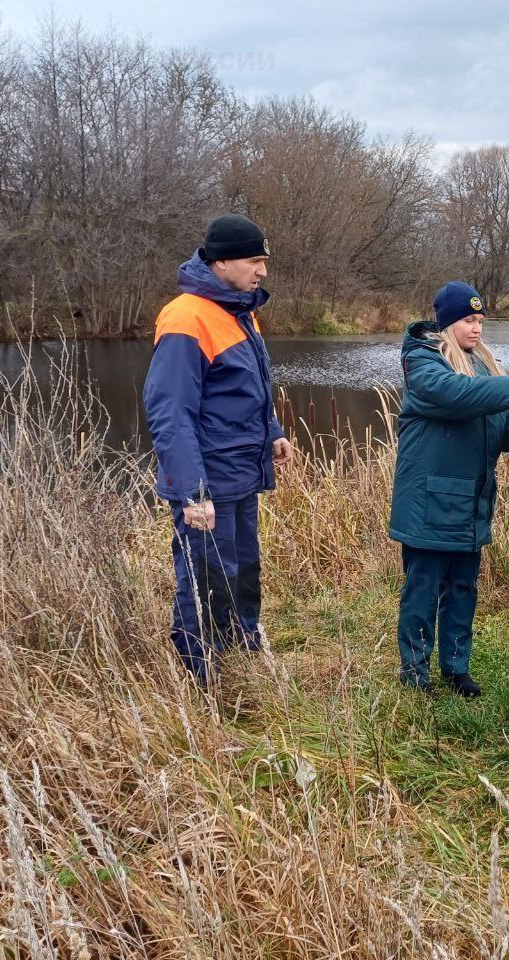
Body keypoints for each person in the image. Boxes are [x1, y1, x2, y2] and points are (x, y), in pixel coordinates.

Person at [389, 281, 509, 695]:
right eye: (469, 321)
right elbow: (457, 395)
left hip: (469, 504)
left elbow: (500, 423)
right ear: (448, 321)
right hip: (430, 504)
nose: (476, 329)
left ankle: (456, 669)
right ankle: (414, 674)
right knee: (423, 592)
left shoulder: (482, 365)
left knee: (464, 591)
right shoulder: (423, 363)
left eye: (480, 321)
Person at [142, 213, 293, 686]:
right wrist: (192, 493)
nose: (263, 271)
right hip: (207, 477)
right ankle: (198, 675)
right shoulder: (186, 317)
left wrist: (272, 432)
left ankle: (243, 648)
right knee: (204, 575)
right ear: (221, 261)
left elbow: (246, 389)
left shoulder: (239, 309)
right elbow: (171, 413)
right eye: (254, 261)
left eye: (264, 261)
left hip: (240, 470)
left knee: (243, 565)